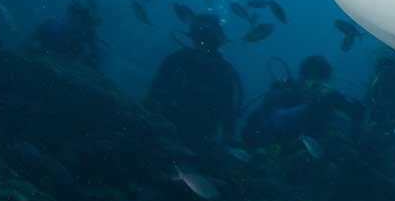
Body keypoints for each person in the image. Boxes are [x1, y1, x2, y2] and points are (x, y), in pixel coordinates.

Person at [146, 14, 242, 151]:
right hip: (165, 133)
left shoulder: (224, 72)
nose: (203, 43)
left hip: (200, 141)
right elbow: (153, 96)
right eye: (200, 37)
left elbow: (228, 116)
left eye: (207, 38)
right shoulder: (177, 61)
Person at [238, 55, 361, 148]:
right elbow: (273, 123)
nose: (316, 88)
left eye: (322, 82)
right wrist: (310, 108)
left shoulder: (326, 103)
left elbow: (348, 126)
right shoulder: (283, 95)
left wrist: (342, 103)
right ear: (301, 79)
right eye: (312, 80)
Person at [26, 0, 102, 69]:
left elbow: (95, 59)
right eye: (73, 12)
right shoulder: (48, 27)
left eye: (78, 14)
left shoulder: (87, 37)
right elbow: (28, 47)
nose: (74, 17)